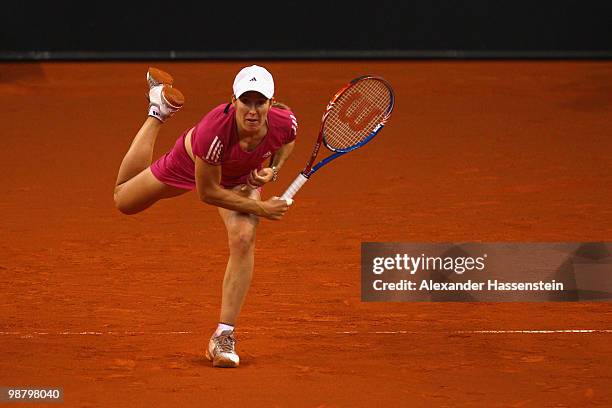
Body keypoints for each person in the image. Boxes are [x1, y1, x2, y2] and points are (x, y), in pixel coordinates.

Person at [113, 65, 297, 368]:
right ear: (233, 100)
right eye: (245, 101)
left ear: (271, 102)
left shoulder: (284, 121)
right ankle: (158, 111)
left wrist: (273, 169)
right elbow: (209, 192)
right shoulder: (214, 132)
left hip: (239, 179)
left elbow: (287, 140)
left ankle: (223, 337)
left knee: (243, 237)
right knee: (124, 200)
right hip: (191, 165)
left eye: (259, 102)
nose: (252, 110)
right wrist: (262, 208)